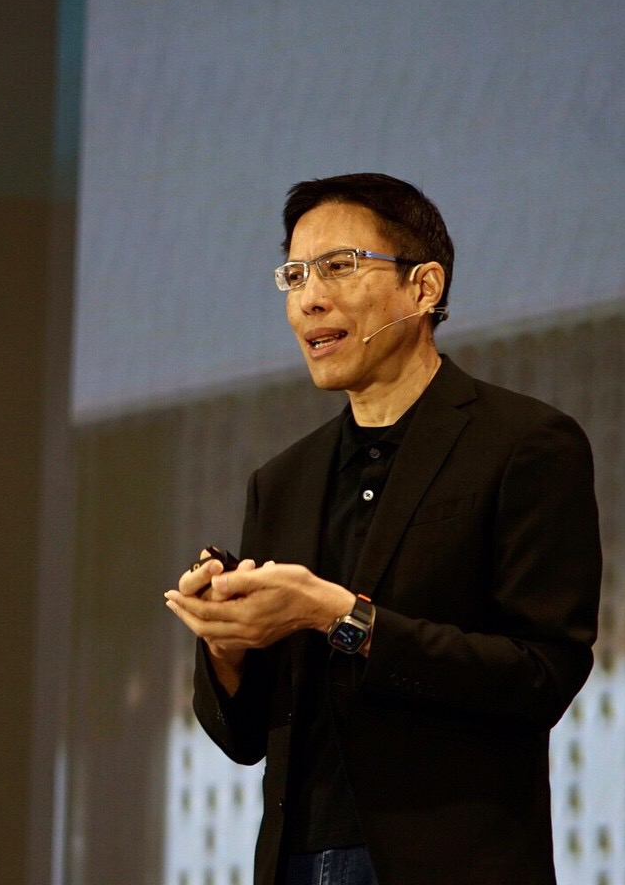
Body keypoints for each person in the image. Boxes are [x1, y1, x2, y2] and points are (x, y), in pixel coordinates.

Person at [163, 173, 602, 885]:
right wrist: (226, 643)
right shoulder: (282, 481)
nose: (309, 298)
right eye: (295, 275)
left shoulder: (523, 443)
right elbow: (245, 739)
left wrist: (343, 617)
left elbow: (540, 675)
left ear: (424, 287)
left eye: (339, 266)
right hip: (296, 862)